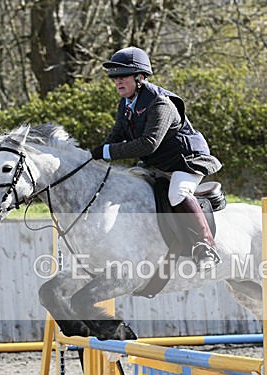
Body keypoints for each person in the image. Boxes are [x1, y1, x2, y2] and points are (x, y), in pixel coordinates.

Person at [90, 46, 223, 270]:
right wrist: (91, 158)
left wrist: (106, 152)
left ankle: (205, 247)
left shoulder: (161, 103)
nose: (118, 81)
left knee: (178, 193)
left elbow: (148, 144)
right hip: (159, 163)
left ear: (140, 77)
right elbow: (115, 137)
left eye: (123, 76)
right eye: (115, 77)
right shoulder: (125, 105)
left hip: (187, 160)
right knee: (129, 185)